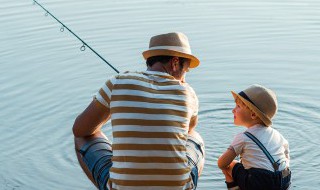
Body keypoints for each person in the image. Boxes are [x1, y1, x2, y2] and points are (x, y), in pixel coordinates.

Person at [72, 32, 205, 190]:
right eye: (185, 71)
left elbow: (80, 129)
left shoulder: (118, 82)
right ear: (175, 62)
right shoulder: (188, 93)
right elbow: (188, 131)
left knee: (82, 137)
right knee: (195, 137)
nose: (184, 78)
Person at [217, 84, 291, 190]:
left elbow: (222, 163)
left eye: (238, 106)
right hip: (284, 178)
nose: (233, 110)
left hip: (260, 181)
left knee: (230, 165)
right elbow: (286, 157)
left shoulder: (243, 137)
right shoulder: (278, 135)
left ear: (253, 115)